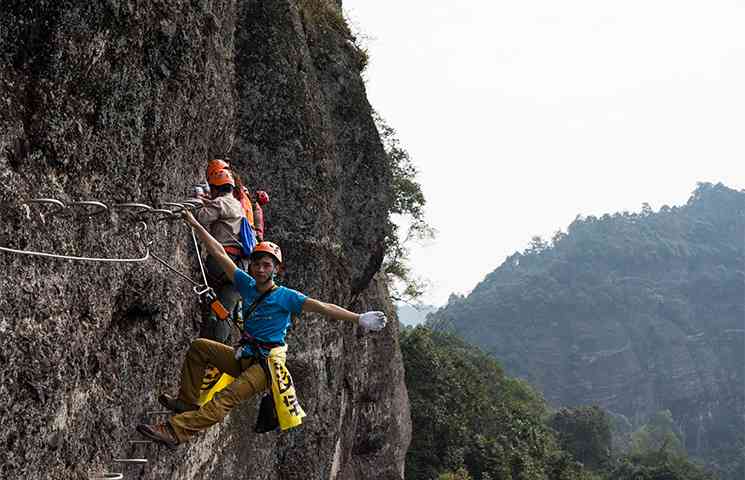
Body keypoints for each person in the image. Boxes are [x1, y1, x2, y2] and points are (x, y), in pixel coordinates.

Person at [136, 210, 387, 447]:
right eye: (257, 264)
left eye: (267, 265)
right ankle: (187, 403)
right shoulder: (246, 284)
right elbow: (221, 255)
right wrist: (195, 224)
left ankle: (175, 431)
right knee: (200, 349)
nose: (260, 269)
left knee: (225, 399)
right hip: (245, 355)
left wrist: (358, 318)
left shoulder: (286, 296)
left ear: (276, 269)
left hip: (265, 365)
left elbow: (322, 307)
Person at [194, 159, 247, 343]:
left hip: (220, 262)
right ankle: (218, 346)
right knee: (225, 309)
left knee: (209, 298)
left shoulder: (220, 203)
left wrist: (199, 200)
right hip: (239, 268)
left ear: (214, 187)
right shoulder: (238, 205)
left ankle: (209, 327)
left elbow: (201, 217)